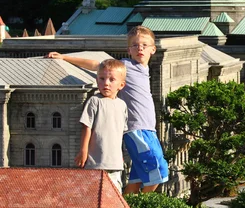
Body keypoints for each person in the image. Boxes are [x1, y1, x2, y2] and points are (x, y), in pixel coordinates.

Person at [47, 26, 169, 194]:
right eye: (135, 45)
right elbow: (97, 65)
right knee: (160, 170)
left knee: (138, 178)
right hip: (138, 130)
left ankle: (126, 207)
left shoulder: (144, 70)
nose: (139, 48)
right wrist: (64, 57)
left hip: (149, 129)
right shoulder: (125, 67)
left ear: (153, 49)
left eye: (144, 45)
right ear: (129, 50)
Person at [76, 58, 128, 192]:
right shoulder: (94, 101)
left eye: (111, 80)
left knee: (114, 196)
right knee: (94, 196)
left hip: (115, 163)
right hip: (96, 162)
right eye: (102, 78)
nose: (106, 83)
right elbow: (86, 127)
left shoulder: (122, 105)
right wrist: (83, 151)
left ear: (121, 85)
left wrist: (121, 154)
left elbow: (120, 133)